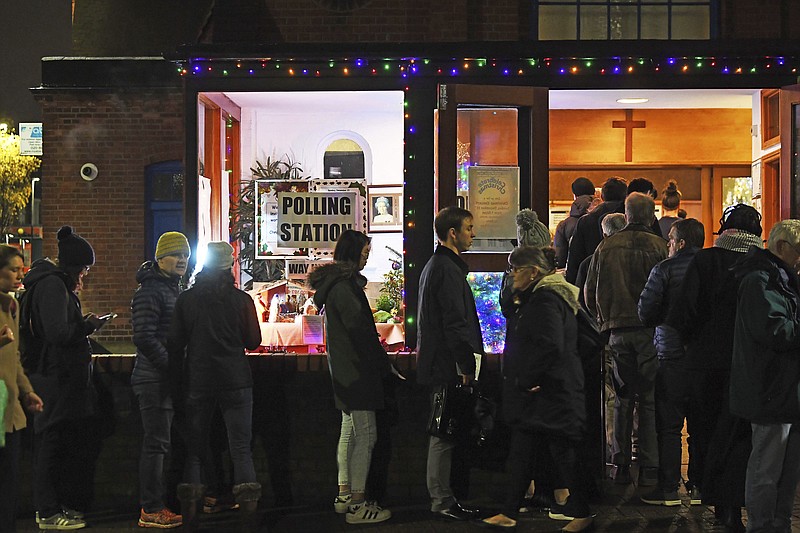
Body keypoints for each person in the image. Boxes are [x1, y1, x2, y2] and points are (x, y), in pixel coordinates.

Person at [665, 203, 763, 531]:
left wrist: (693, 341)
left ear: (724, 229)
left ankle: (716, 500)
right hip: (748, 365)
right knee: (739, 435)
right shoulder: (761, 264)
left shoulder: (705, 260)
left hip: (705, 363)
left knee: (704, 430)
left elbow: (682, 312)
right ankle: (736, 502)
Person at [482, 246, 593, 532]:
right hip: (544, 392)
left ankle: (582, 513)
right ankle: (509, 512)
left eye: (515, 269)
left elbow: (549, 344)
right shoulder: (537, 296)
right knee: (522, 450)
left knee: (562, 453)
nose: (511, 275)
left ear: (533, 272)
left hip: (549, 391)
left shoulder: (545, 300)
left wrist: (529, 378)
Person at [167, 242, 262, 532]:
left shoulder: (187, 299)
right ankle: (247, 519)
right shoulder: (241, 300)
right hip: (236, 380)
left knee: (195, 449)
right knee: (240, 448)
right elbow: (253, 341)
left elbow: (174, 343)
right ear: (230, 266)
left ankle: (191, 518)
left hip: (199, 380)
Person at [23, 226, 111, 530]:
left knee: (58, 443)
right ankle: (47, 512)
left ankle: (55, 507)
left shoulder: (53, 285)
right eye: (84, 269)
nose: (85, 275)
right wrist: (86, 326)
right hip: (54, 378)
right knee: (50, 443)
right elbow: (58, 333)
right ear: (74, 265)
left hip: (57, 377)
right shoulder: (53, 286)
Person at [309, 230, 396, 525]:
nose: (366, 256)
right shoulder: (345, 288)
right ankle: (359, 504)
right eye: (364, 252)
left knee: (349, 432)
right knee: (366, 435)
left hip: (346, 371)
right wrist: (383, 364)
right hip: (358, 372)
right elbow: (361, 332)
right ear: (352, 252)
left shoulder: (335, 285)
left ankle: (345, 494)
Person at [584, 193, 668, 486]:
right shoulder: (659, 246)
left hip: (617, 331)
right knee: (648, 400)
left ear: (627, 214)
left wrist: (602, 323)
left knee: (621, 398)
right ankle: (649, 466)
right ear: (650, 215)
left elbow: (589, 291)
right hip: (649, 332)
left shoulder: (606, 246)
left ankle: (619, 464)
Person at [729, 219, 800, 533]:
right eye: (799, 250)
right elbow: (777, 332)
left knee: (787, 469)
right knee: (767, 468)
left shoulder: (778, 277)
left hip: (784, 388)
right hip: (770, 388)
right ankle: (762, 526)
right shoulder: (761, 280)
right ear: (782, 246)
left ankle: (779, 523)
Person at [417, 206, 484, 520]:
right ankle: (442, 499)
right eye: (468, 228)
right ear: (453, 233)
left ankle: (444, 497)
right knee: (443, 433)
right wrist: (466, 364)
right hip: (447, 364)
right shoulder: (447, 269)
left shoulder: (438, 266)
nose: (473, 233)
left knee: (443, 431)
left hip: (441, 361)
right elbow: (454, 322)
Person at [638, 218, 705, 506]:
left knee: (669, 427)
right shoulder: (712, 268)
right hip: (704, 358)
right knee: (702, 425)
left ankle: (668, 489)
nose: (668, 244)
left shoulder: (664, 269)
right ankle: (701, 486)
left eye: (671, 239)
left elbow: (646, 310)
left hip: (671, 355)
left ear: (681, 242)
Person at [131, 231, 191, 529]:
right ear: (160, 258)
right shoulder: (151, 291)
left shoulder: (171, 288)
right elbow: (143, 337)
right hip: (154, 379)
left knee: (162, 445)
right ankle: (151, 508)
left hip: (163, 378)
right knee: (156, 445)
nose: (182, 260)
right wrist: (171, 366)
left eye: (185, 255)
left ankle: (159, 504)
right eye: (176, 255)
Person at [0, 245, 44, 533]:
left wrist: (27, 391)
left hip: (10, 409)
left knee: (9, 483)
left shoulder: (12, 305)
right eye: (13, 269)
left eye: (21, 269)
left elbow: (14, 357)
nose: (20, 275)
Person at [565, 177, 627, 284]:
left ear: (602, 196)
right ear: (626, 195)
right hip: (625, 278)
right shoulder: (630, 218)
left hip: (592, 278)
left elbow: (575, 257)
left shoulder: (586, 221)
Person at [554, 177, 595, 269]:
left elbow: (559, 258)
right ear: (594, 194)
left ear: (575, 196)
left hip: (575, 272)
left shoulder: (565, 225)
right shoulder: (604, 217)